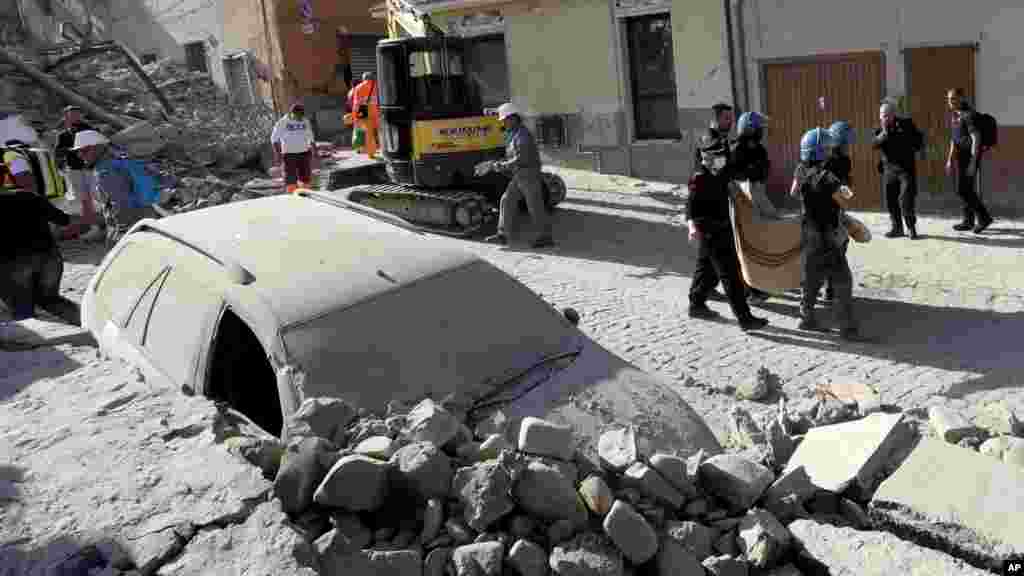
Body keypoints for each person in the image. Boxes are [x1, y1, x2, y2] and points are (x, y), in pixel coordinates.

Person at [686, 137, 769, 332]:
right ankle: (745, 319)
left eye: (723, 155)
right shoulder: (699, 178)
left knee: (706, 269)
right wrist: (691, 228)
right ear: (708, 158)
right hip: (710, 230)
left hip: (723, 228)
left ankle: (696, 304)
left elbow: (741, 172)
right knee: (730, 274)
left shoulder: (722, 173)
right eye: (720, 156)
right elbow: (690, 206)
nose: (723, 158)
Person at [792, 127, 863, 341]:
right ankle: (847, 328)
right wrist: (843, 188)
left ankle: (806, 318)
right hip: (827, 235)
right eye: (828, 148)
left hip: (808, 232)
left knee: (812, 277)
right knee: (843, 280)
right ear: (822, 152)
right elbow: (846, 197)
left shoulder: (800, 170)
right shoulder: (827, 176)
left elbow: (793, 192)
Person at [1, 142, 81, 326]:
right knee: (51, 300)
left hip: (13, 263)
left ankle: (32, 343)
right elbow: (66, 221)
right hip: (50, 259)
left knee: (22, 307)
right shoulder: (31, 197)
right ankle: (87, 324)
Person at [484, 103, 554, 248]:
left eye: (504, 120)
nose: (503, 122)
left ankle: (544, 236)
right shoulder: (514, 133)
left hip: (528, 174)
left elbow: (522, 158)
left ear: (513, 118)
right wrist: (499, 163)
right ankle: (503, 234)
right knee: (506, 200)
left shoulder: (522, 134)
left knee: (534, 206)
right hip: (519, 175)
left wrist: (503, 165)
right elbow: (513, 156)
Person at [72, 130, 159, 245]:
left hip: (132, 225)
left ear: (99, 148)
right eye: (79, 151)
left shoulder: (106, 170)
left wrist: (121, 232)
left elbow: (121, 203)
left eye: (84, 150)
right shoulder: (119, 160)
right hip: (145, 217)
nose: (80, 155)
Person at [873, 100, 923, 238]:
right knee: (891, 200)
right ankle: (897, 228)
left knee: (906, 199)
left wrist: (913, 145)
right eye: (882, 115)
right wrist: (884, 133)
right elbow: (874, 144)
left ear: (894, 114)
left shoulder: (906, 124)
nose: (885, 117)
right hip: (889, 170)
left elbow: (919, 140)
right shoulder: (879, 131)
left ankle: (911, 227)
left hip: (906, 169)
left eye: (888, 114)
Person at [945, 88, 993, 233]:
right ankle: (968, 221)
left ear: (961, 98)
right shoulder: (955, 116)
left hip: (969, 158)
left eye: (953, 98)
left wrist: (973, 162)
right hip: (960, 158)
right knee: (966, 189)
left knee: (963, 189)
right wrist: (949, 159)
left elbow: (976, 138)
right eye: (948, 98)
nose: (950, 101)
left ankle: (984, 218)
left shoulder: (968, 115)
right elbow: (954, 139)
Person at [54, 105, 101, 240]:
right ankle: (92, 228)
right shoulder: (63, 134)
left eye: (76, 114)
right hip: (74, 169)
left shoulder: (90, 129)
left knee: (98, 196)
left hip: (92, 168)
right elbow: (58, 152)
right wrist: (72, 150)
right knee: (84, 200)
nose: (74, 117)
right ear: (66, 117)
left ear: (80, 115)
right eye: (71, 115)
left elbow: (99, 146)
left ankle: (105, 225)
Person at [271, 102, 317, 194]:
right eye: (298, 116)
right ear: (291, 113)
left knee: (305, 178)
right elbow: (274, 139)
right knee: (290, 179)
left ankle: (306, 196)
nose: (300, 118)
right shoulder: (282, 122)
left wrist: (314, 150)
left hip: (304, 153)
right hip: (289, 155)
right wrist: (278, 155)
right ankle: (292, 198)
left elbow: (311, 136)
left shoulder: (305, 121)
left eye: (301, 116)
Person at [350, 72, 380, 157]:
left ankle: (371, 153)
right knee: (379, 132)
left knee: (369, 134)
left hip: (364, 112)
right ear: (372, 78)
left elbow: (356, 104)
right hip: (376, 111)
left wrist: (355, 116)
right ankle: (385, 150)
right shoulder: (377, 86)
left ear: (363, 78)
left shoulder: (358, 88)